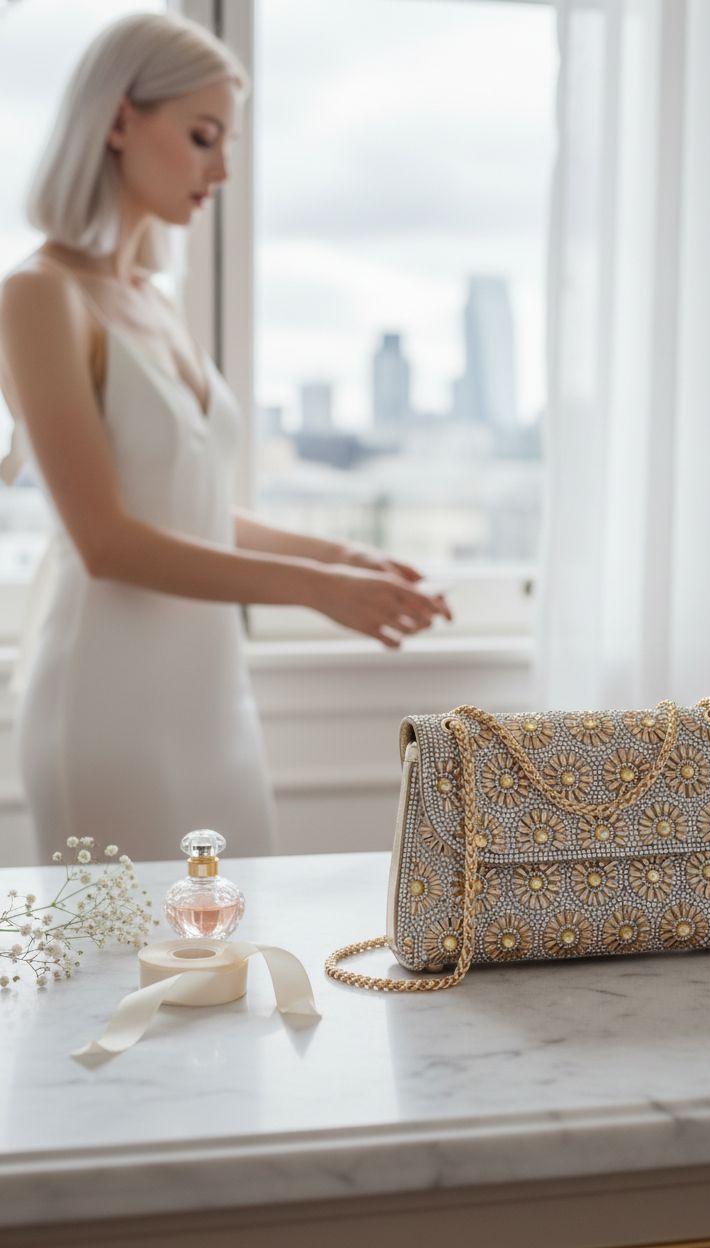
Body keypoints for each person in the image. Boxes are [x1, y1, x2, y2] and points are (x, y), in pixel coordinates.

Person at [0, 11, 452, 865]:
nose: (223, 170)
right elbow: (106, 540)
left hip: (212, 695)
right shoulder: (39, 295)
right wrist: (316, 588)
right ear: (120, 119)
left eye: (229, 143)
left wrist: (344, 557)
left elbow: (187, 506)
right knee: (126, 945)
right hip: (107, 699)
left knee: (242, 929)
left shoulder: (154, 300)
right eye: (203, 137)